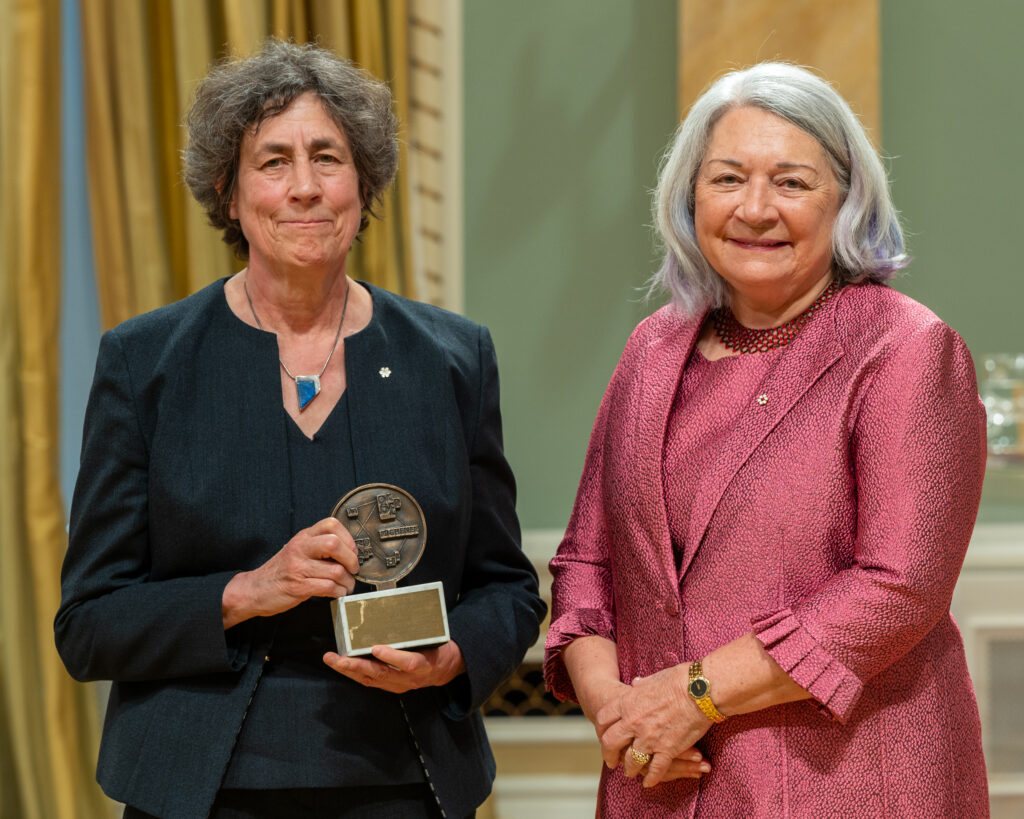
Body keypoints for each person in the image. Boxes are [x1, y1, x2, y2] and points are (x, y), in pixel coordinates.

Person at [55, 39, 545, 819]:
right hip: (201, 785)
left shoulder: (452, 358)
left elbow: (508, 590)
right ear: (228, 189)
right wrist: (247, 591)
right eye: (274, 161)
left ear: (364, 183)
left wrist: (451, 657)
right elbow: (88, 622)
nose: (306, 188)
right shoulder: (145, 363)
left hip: (402, 774)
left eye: (329, 157)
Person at [543, 62, 989, 818]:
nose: (755, 208)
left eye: (791, 182)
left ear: (847, 198)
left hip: (846, 781)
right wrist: (618, 709)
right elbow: (587, 563)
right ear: (689, 197)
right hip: (662, 773)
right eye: (727, 179)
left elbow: (897, 585)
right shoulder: (651, 350)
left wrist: (693, 694)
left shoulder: (906, 349)